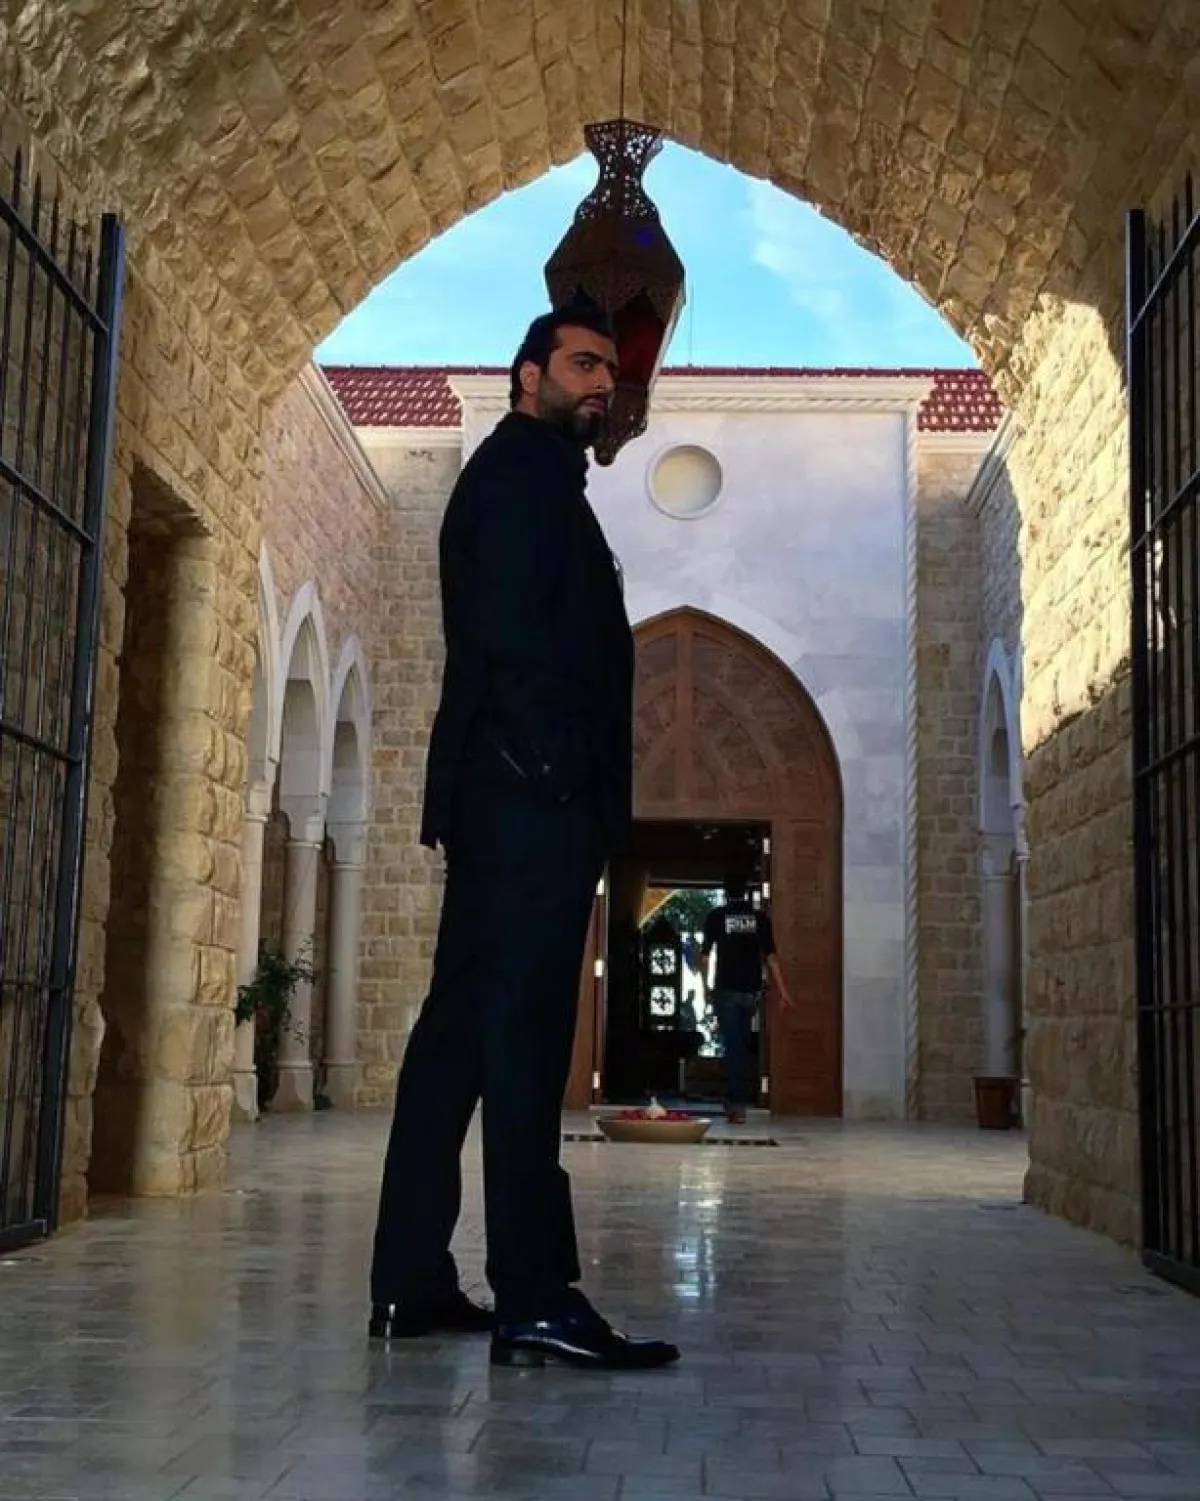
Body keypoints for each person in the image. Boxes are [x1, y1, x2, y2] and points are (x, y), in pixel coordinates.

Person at [368, 304, 679, 1372]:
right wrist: (559, 779)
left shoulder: (539, 480)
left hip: (508, 797)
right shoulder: (516, 478)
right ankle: (535, 1297)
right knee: (525, 1041)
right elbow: (507, 642)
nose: (601, 383)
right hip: (524, 804)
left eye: (610, 370)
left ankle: (410, 1281)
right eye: (583, 364)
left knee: (456, 1038)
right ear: (527, 376)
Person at [700, 876, 795, 1124]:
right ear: (745, 892)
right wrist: (783, 991)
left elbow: (705, 957)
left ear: (725, 892)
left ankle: (737, 1103)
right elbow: (771, 958)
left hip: (726, 989)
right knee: (740, 1045)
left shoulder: (716, 917)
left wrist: (705, 987)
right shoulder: (760, 919)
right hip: (751, 992)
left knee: (734, 1047)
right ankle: (737, 1101)